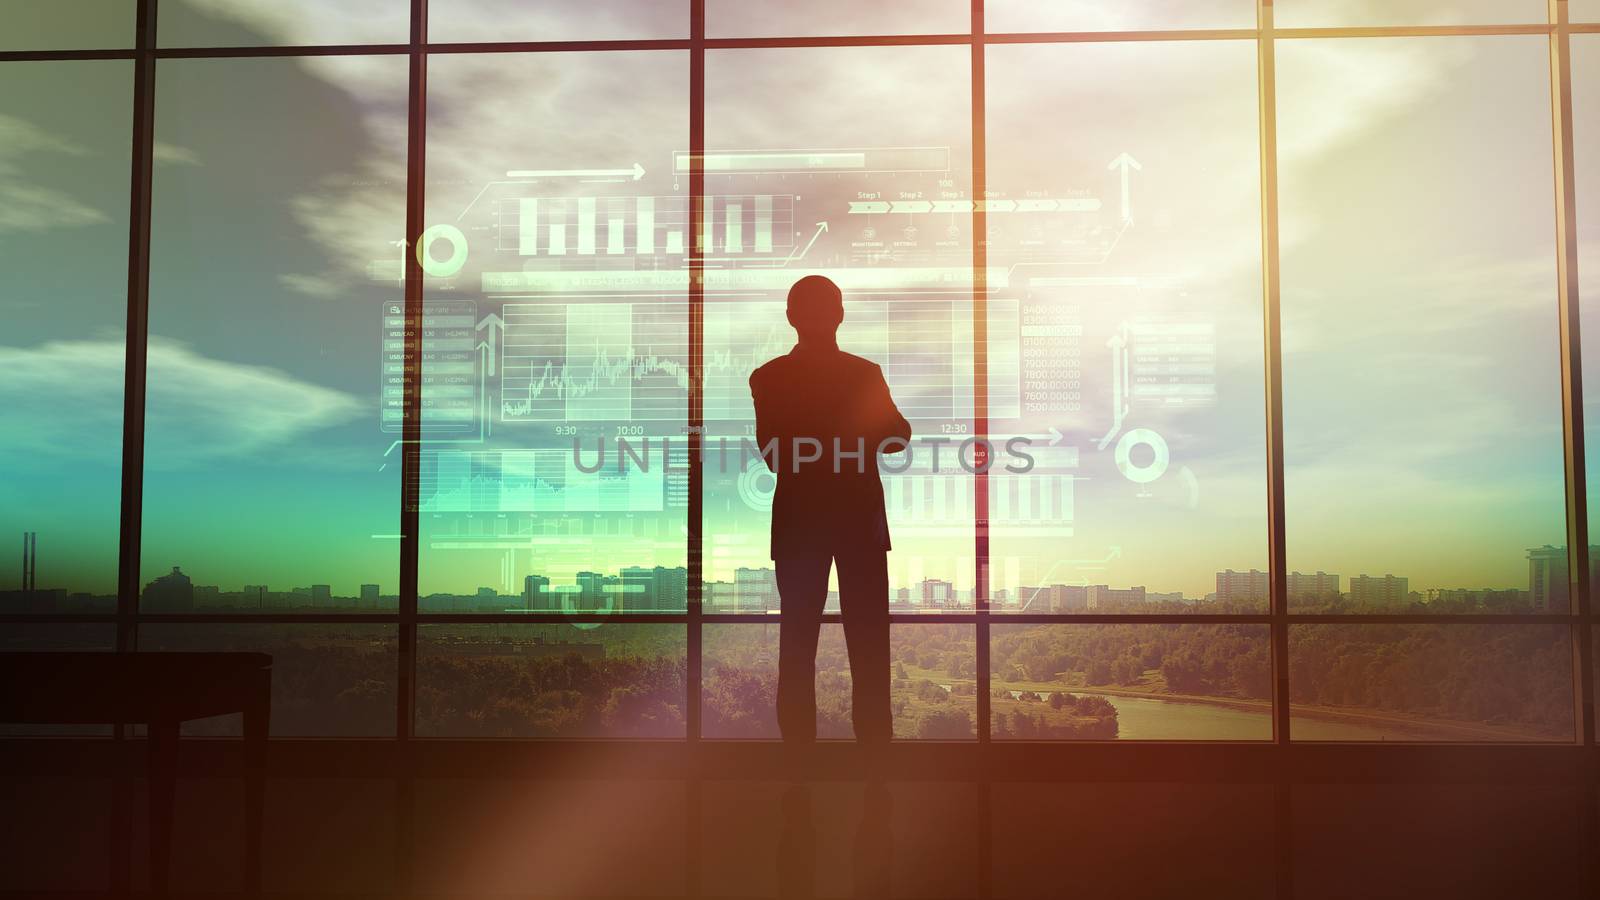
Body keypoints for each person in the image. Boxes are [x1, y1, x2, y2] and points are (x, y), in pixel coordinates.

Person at [748, 275, 912, 759]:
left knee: (796, 648)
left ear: (790, 316)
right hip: (859, 522)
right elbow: (898, 435)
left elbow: (775, 454)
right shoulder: (864, 374)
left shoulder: (768, 377)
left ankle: (798, 758)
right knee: (869, 648)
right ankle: (876, 756)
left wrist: (820, 439)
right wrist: (856, 433)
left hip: (800, 526)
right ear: (840, 314)